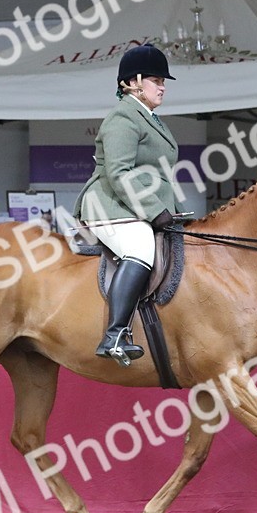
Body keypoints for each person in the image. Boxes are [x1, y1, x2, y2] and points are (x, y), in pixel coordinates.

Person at [73, 44, 179, 364]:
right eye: (154, 79)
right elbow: (119, 173)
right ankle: (115, 333)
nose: (162, 86)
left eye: (163, 81)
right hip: (110, 203)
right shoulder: (122, 117)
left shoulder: (150, 119)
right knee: (140, 248)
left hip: (136, 205)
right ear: (132, 83)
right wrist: (152, 211)